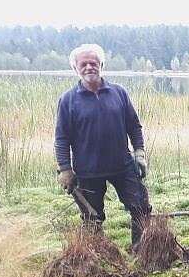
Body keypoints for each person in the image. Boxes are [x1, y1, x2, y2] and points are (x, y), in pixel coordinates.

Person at [55, 44, 152, 252]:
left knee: (141, 207)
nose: (89, 67)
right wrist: (65, 169)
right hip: (87, 171)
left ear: (102, 65)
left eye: (94, 63)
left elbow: (134, 126)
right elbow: (61, 138)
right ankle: (98, 255)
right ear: (75, 68)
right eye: (84, 64)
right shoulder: (68, 100)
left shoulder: (119, 93)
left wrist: (139, 153)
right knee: (92, 217)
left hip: (123, 166)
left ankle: (142, 249)